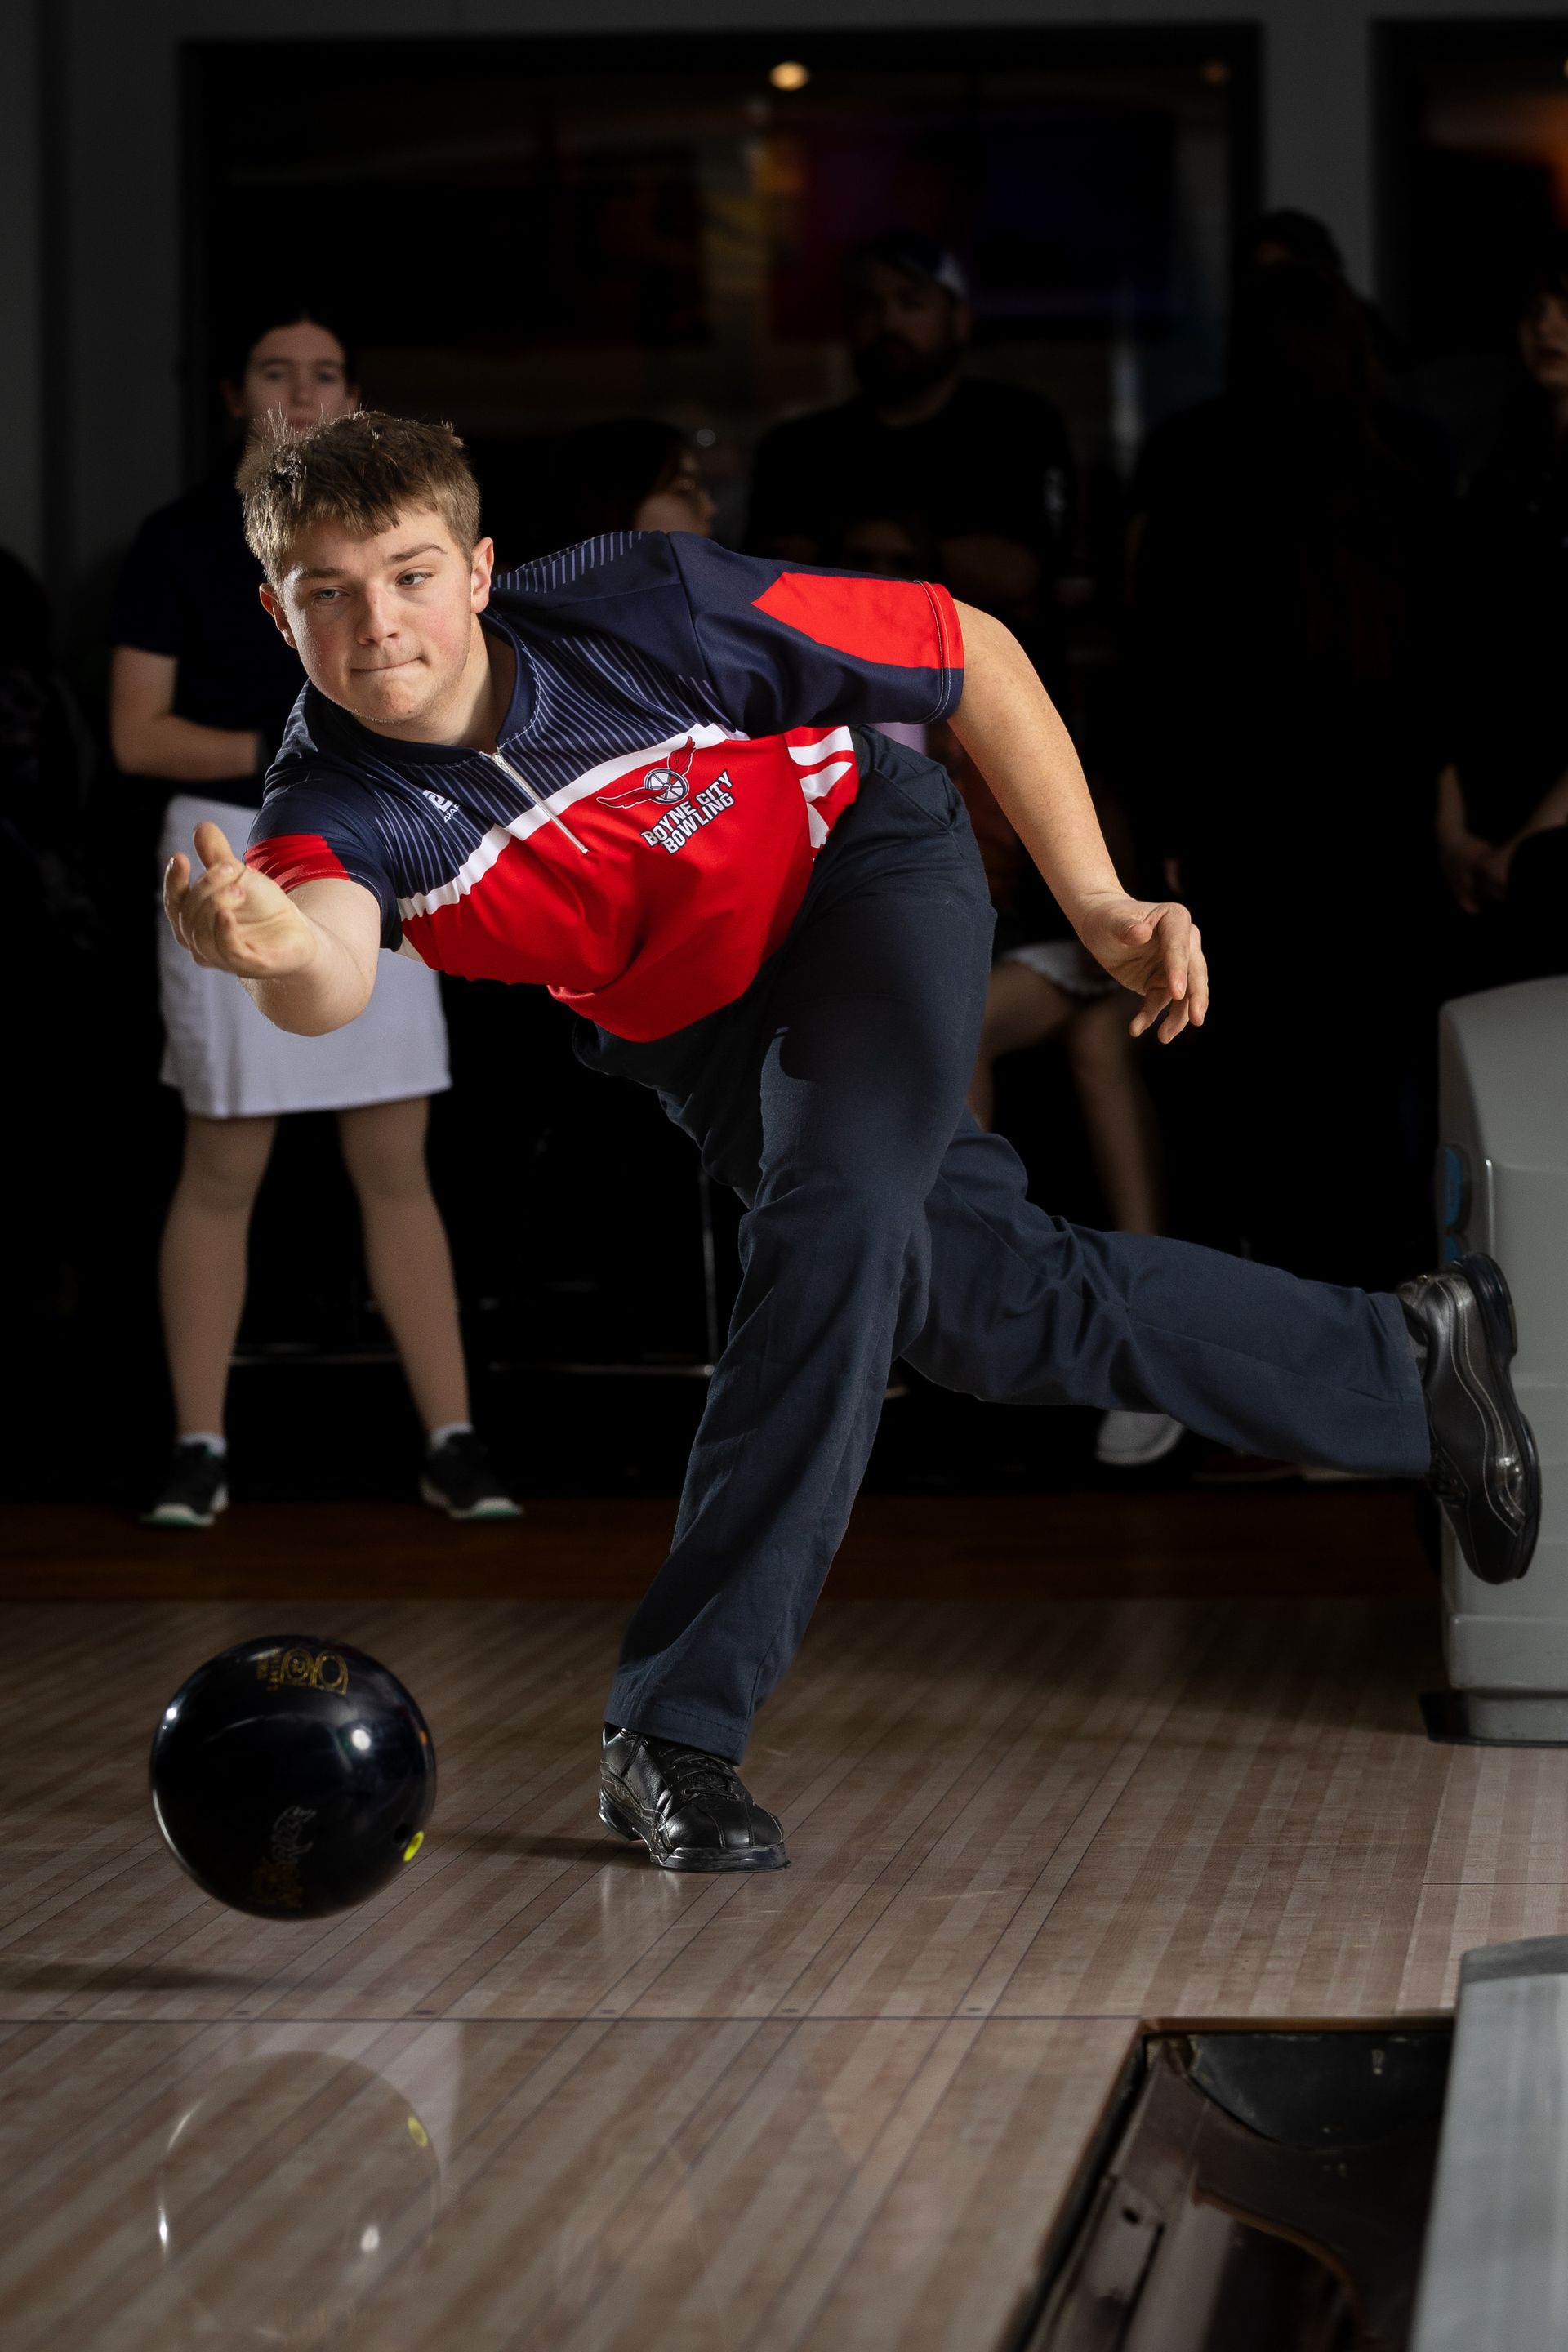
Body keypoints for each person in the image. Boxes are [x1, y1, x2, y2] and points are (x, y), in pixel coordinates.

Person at [163, 409, 1535, 1874]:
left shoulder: (651, 604)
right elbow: (333, 972)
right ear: (277, 610)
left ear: (483, 569)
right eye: (329, 593)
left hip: (860, 881)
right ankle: (1406, 1371)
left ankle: (672, 1727)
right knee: (982, 1308)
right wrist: (260, 950)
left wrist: (1099, 905)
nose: (381, 624)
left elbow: (973, 654)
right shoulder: (330, 796)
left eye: (412, 574)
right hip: (696, 1031)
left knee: (829, 1229)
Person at [110, 316, 516, 1528]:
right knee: (223, 1161)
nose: (300, 389)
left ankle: (454, 1441)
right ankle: (198, 1446)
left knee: (396, 1164)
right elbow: (138, 731)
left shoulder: (389, 539)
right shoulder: (180, 540)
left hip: (378, 835)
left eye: (324, 372)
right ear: (238, 392)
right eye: (277, 371)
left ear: (352, 391)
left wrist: (344, 770)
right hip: (233, 844)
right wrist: (312, 750)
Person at [746, 231, 1075, 685]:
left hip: (997, 693)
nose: (888, 322)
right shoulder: (796, 446)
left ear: (958, 320)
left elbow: (1019, 576)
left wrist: (851, 551)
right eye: (869, 306)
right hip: (839, 701)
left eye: (911, 302)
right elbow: (767, 588)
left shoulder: (1018, 425)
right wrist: (935, 556)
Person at [1437, 236, 1568, 990]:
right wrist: (1452, 829)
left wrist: (1532, 843)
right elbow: (1449, 655)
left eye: (1564, 307)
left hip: (1551, 838)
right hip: (1479, 816)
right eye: (1534, 310)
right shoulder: (1498, 475)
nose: (1546, 327)